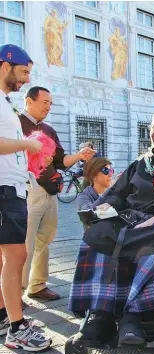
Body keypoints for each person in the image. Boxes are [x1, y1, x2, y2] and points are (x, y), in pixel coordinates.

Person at [69, 107, 154, 346]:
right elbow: (116, 194)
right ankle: (101, 314)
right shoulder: (139, 163)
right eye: (153, 127)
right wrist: (98, 210)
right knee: (97, 232)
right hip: (132, 220)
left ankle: (137, 313)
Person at [20, 86, 95, 301]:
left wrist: (80, 155)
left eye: (50, 103)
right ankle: (16, 292)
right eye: (45, 102)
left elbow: (60, 161)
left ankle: (37, 285)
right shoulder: (15, 124)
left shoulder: (49, 130)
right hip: (28, 191)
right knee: (25, 243)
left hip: (49, 193)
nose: (48, 107)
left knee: (46, 238)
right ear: (29, 101)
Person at [0, 44, 52, 351]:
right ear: (5, 66)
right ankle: (18, 328)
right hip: (5, 189)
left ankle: (5, 314)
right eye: (23, 72)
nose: (26, 79)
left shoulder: (5, 102)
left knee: (6, 256)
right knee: (17, 255)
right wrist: (27, 146)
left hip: (12, 187)